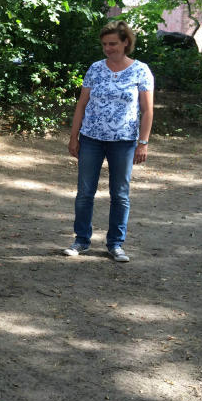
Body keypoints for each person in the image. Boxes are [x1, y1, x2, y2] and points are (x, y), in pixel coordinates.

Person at [63, 20, 154, 262]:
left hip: (124, 141)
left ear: (126, 42)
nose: (108, 48)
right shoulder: (95, 69)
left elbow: (147, 110)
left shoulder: (141, 71)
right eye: (104, 44)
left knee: (120, 194)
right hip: (91, 139)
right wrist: (74, 137)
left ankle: (115, 244)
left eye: (113, 43)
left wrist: (143, 142)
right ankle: (81, 240)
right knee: (85, 193)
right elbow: (82, 104)